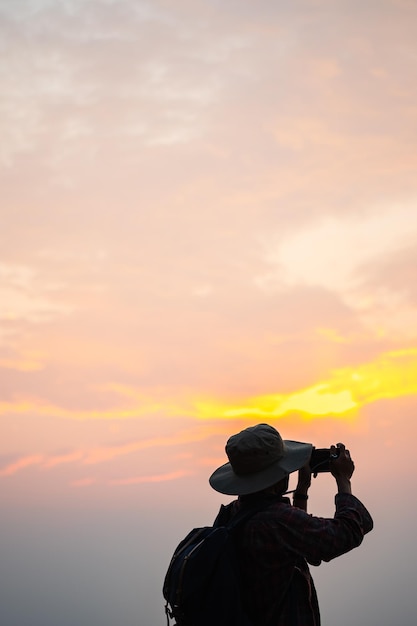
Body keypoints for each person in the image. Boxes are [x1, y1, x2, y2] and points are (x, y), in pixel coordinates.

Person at [209, 423, 373, 626]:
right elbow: (344, 535)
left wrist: (301, 491)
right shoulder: (276, 521)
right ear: (278, 474)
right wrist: (343, 480)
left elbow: (300, 547)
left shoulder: (234, 513)